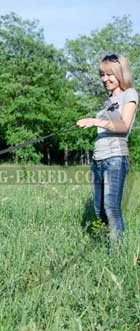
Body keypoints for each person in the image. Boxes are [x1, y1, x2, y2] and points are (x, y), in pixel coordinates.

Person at [77, 54, 138, 245]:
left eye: (109, 74)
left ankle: (117, 253)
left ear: (121, 73)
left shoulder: (130, 94)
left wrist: (94, 120)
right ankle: (104, 246)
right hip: (98, 159)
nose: (104, 79)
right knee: (99, 210)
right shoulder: (109, 101)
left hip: (115, 159)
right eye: (102, 75)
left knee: (111, 208)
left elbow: (123, 126)